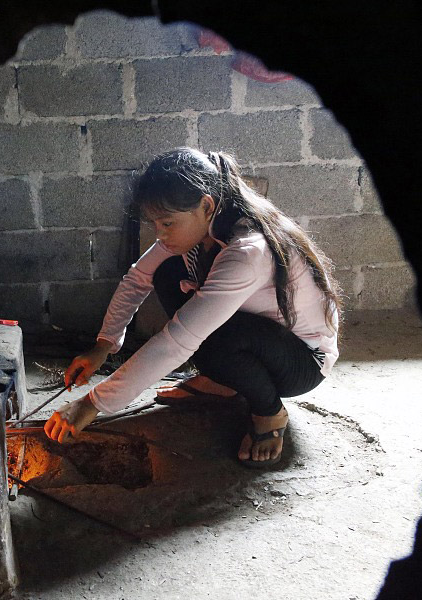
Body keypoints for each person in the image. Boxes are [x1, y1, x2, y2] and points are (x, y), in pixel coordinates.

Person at [43, 147, 342, 467]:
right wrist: (104, 345)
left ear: (206, 205)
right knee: (167, 273)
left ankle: (269, 413)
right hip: (260, 336)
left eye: (168, 223)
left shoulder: (246, 251)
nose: (160, 234)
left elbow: (178, 341)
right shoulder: (207, 224)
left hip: (301, 361)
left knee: (214, 340)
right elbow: (136, 280)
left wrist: (93, 402)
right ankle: (224, 381)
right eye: (155, 223)